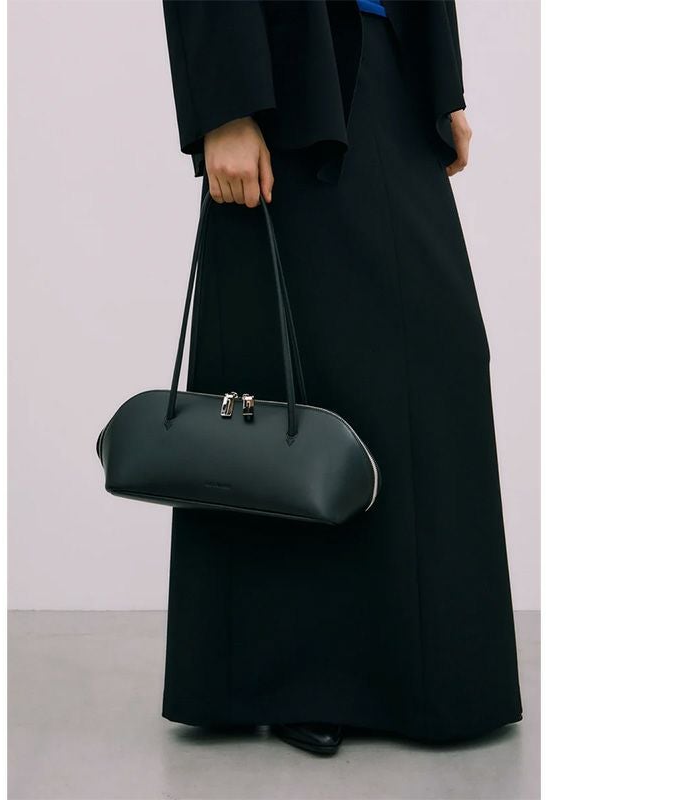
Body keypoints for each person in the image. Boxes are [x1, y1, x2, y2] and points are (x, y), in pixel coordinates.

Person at [160, 0, 522, 757]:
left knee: (439, 355)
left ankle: (417, 672)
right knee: (297, 376)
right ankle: (298, 677)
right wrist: (225, 106)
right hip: (282, 71)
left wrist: (442, 82)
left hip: (387, 55)